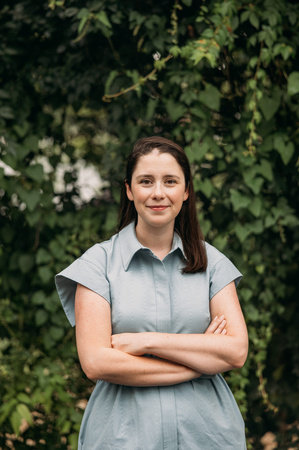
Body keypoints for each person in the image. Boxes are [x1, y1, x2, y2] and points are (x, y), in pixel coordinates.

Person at [55, 136, 248, 449]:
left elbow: (236, 352)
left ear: (186, 191)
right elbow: (96, 362)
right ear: (130, 190)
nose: (158, 193)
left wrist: (146, 341)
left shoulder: (212, 262)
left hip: (207, 436)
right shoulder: (97, 264)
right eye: (146, 181)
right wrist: (197, 361)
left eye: (170, 181)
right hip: (123, 438)